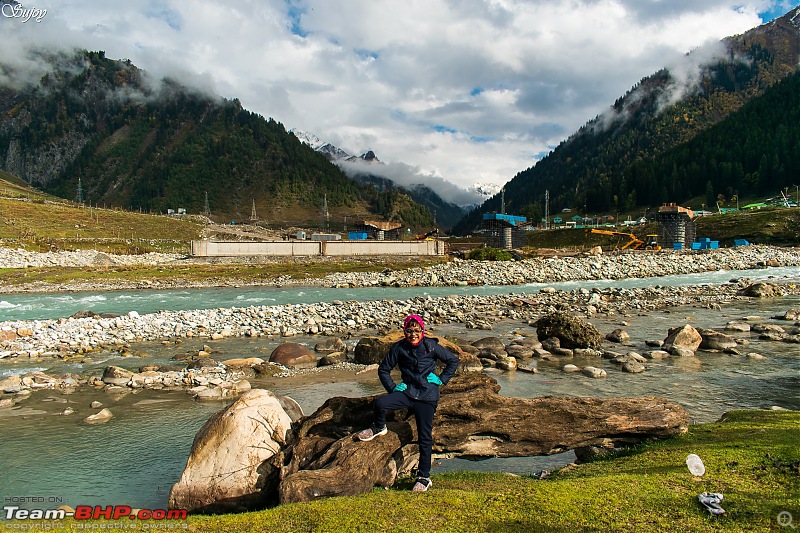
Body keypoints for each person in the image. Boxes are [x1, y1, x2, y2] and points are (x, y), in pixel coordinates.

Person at [357, 314, 460, 492]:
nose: (413, 334)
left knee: (425, 438)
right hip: (407, 392)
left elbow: (453, 360)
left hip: (427, 396)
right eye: (409, 330)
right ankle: (379, 428)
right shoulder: (399, 348)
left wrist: (442, 379)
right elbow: (384, 370)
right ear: (405, 332)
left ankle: (424, 477)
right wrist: (393, 388)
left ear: (422, 331)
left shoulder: (432, 346)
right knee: (380, 405)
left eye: (416, 330)